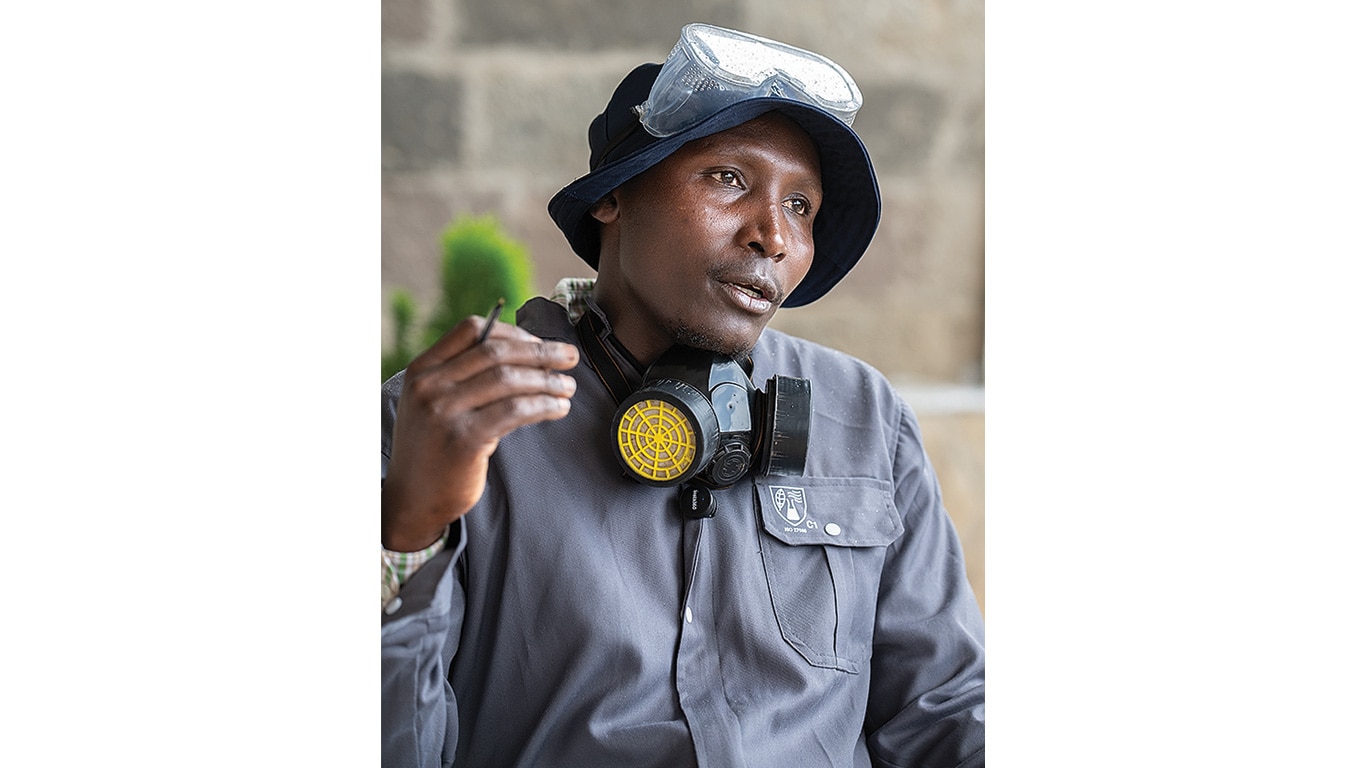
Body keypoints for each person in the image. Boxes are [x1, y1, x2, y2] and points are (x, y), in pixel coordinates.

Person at [381, 23, 985, 768]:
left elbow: (947, 715)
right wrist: (408, 532)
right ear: (614, 196)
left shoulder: (862, 414)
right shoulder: (451, 420)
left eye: (802, 206)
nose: (775, 236)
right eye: (728, 178)